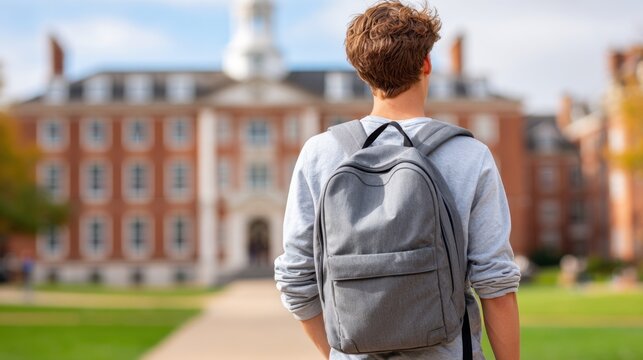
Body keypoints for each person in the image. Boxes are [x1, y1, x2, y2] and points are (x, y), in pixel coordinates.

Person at [274, 1, 521, 359]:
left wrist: (340, 354)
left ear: (361, 73)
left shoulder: (320, 153)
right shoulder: (469, 155)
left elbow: (296, 279)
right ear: (426, 63)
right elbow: (496, 285)